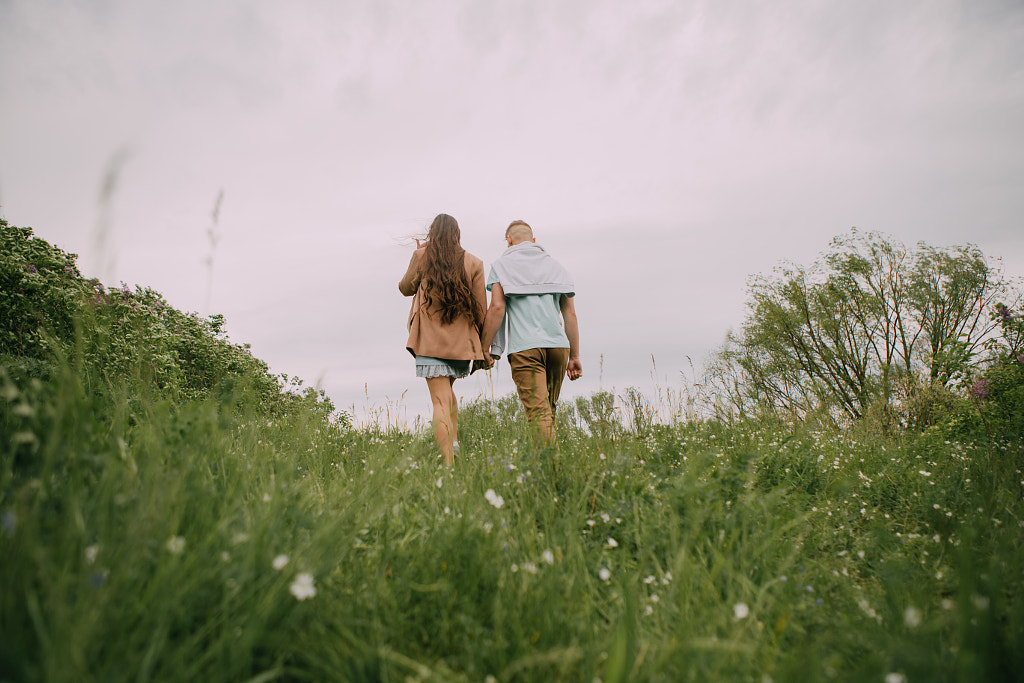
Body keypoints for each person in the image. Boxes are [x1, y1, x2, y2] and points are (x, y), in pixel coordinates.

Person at [481, 220, 582, 446]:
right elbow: (570, 315)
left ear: (509, 241)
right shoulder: (558, 268)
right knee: (549, 412)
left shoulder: (501, 266)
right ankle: (550, 468)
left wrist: (483, 348)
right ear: (534, 241)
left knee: (538, 414)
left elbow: (497, 308)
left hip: (525, 349)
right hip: (558, 347)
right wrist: (574, 357)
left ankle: (550, 471)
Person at [400, 214, 488, 465]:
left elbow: (405, 288)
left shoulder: (422, 257)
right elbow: (481, 309)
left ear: (433, 234)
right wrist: (484, 349)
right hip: (461, 344)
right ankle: (455, 445)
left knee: (439, 401)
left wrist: (419, 255)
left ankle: (448, 464)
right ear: (457, 235)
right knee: (447, 395)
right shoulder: (474, 262)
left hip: (429, 342)